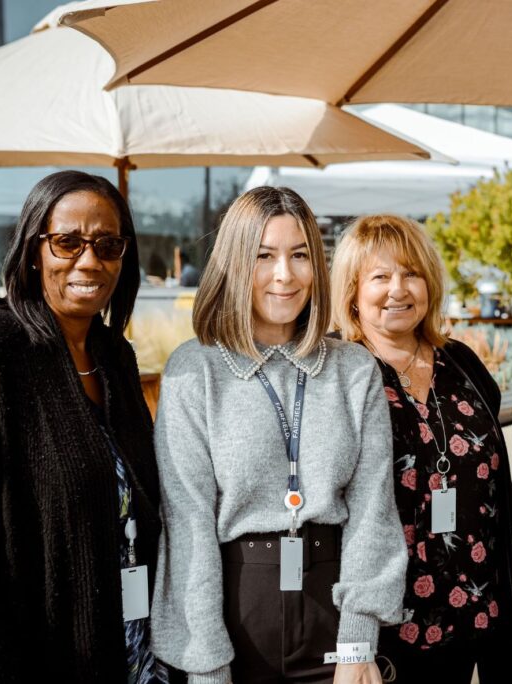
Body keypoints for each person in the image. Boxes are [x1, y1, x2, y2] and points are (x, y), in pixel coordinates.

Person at [0, 170, 166, 682]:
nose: (89, 260)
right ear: (32, 251)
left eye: (108, 244)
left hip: (126, 659)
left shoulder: (115, 358)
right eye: (67, 242)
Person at [151, 187, 406, 684]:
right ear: (232, 263)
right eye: (263, 256)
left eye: (299, 255)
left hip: (333, 619)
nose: (284, 275)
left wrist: (359, 639)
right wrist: (206, 665)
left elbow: (374, 507)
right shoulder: (194, 370)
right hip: (235, 613)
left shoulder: (354, 368)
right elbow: (187, 526)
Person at [330, 215, 512, 684]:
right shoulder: (339, 373)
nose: (398, 289)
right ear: (353, 292)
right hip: (385, 627)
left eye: (411, 273)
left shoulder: (461, 361)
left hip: (475, 614)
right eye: (380, 277)